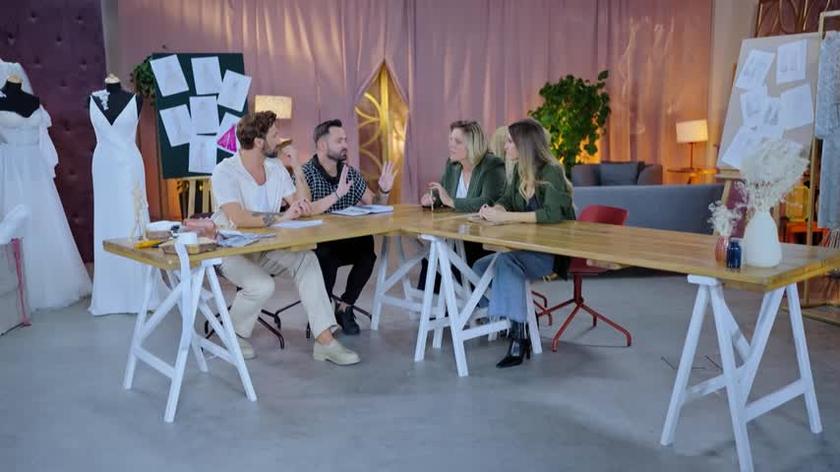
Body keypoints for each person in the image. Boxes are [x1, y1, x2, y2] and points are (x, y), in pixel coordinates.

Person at [210, 111, 359, 365]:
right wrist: (282, 217)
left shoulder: (275, 168)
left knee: (307, 260)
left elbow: (304, 205)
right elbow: (239, 217)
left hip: (265, 246)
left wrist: (297, 167)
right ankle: (232, 335)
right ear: (259, 141)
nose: (279, 140)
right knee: (262, 285)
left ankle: (325, 342)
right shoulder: (225, 171)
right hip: (228, 250)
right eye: (274, 135)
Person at [473, 118, 576, 368]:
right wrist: (496, 210)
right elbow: (506, 199)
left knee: (505, 263)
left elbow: (551, 214)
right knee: (480, 267)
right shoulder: (519, 171)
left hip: (551, 253)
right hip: (526, 248)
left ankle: (519, 337)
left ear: (524, 145)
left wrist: (506, 218)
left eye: (510, 142)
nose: (505, 146)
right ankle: (514, 319)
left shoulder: (551, 171)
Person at [300, 119, 396, 335]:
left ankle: (345, 307)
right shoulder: (305, 173)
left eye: (345, 140)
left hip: (345, 240)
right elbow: (304, 209)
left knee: (367, 250)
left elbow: (375, 204)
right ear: (322, 145)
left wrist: (384, 191)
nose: (345, 145)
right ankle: (322, 314)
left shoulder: (350, 173)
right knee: (326, 256)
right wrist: (337, 195)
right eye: (339, 141)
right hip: (317, 243)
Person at [417, 120, 506, 289]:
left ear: (473, 145)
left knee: (442, 255)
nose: (451, 145)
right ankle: (432, 304)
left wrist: (451, 202)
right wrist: (432, 198)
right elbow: (444, 192)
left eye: (457, 141)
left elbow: (488, 202)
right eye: (450, 139)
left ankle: (460, 301)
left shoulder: (492, 165)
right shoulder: (452, 165)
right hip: (456, 232)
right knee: (431, 257)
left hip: (481, 237)